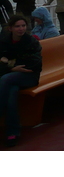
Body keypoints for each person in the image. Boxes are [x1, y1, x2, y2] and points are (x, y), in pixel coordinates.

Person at [0, 14, 43, 147]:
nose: (21, 29)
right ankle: (13, 132)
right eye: (17, 26)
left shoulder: (31, 42)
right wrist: (12, 67)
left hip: (29, 77)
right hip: (11, 76)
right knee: (12, 92)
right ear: (10, 28)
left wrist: (8, 63)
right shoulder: (4, 42)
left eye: (23, 26)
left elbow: (33, 63)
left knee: (6, 79)